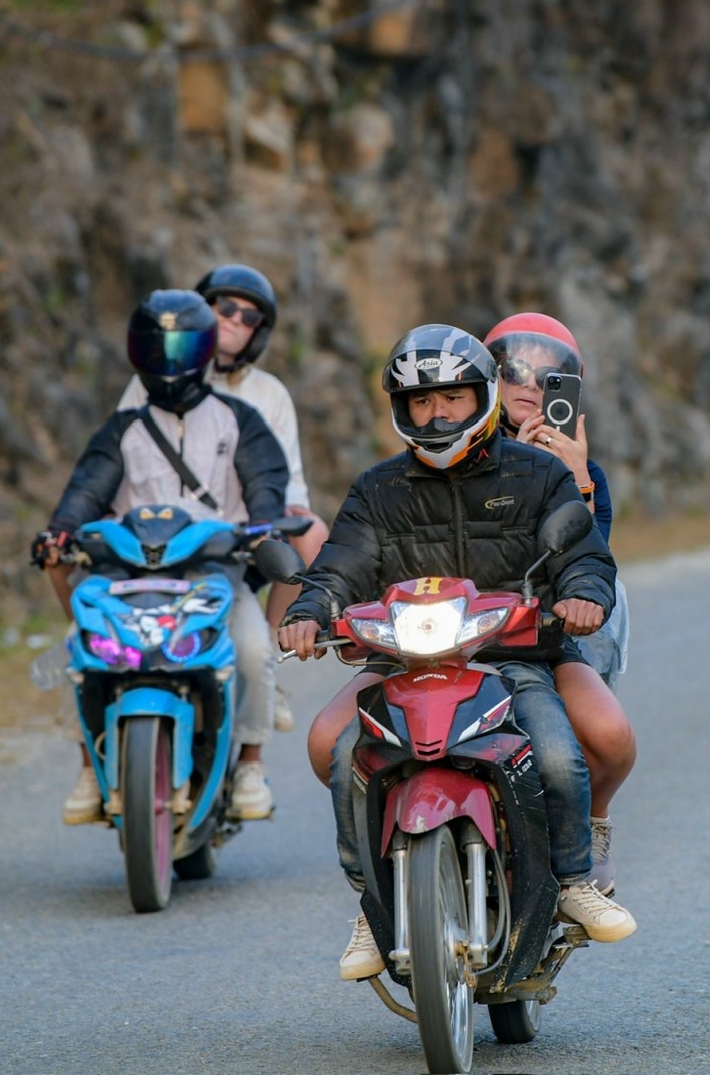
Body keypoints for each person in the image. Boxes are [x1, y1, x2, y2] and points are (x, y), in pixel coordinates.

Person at [280, 325, 636, 981]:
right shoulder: (378, 488)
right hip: (401, 660)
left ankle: (573, 882)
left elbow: (584, 551)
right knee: (338, 753)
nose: (437, 413)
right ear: (401, 407)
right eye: (421, 401)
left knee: (557, 752)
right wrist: (310, 610)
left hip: (514, 655)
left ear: (482, 397)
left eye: (451, 396)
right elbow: (340, 565)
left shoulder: (540, 472)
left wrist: (583, 592)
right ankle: (373, 907)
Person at [33, 290, 291, 823]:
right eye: (156, 350)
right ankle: (89, 765)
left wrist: (263, 528)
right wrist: (60, 532)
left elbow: (267, 483)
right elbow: (86, 490)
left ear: (203, 350)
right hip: (127, 576)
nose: (168, 364)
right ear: (136, 353)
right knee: (81, 650)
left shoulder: (240, 420)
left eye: (180, 349)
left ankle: (248, 762)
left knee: (250, 647)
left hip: (214, 574)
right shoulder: (122, 428)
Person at [117, 264, 330, 730]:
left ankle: (269, 664)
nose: (235, 320)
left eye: (249, 317)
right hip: (160, 527)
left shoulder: (268, 395)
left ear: (259, 333)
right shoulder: (152, 378)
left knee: (309, 531)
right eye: (225, 308)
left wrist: (274, 517)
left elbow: (289, 479)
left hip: (239, 532)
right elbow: (118, 458)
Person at [484, 313, 636, 895]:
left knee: (608, 735)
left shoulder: (584, 468)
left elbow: (587, 558)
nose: (530, 382)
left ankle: (591, 822)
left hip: (544, 626)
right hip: (464, 626)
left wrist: (572, 480)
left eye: (551, 373)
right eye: (515, 367)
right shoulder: (455, 448)